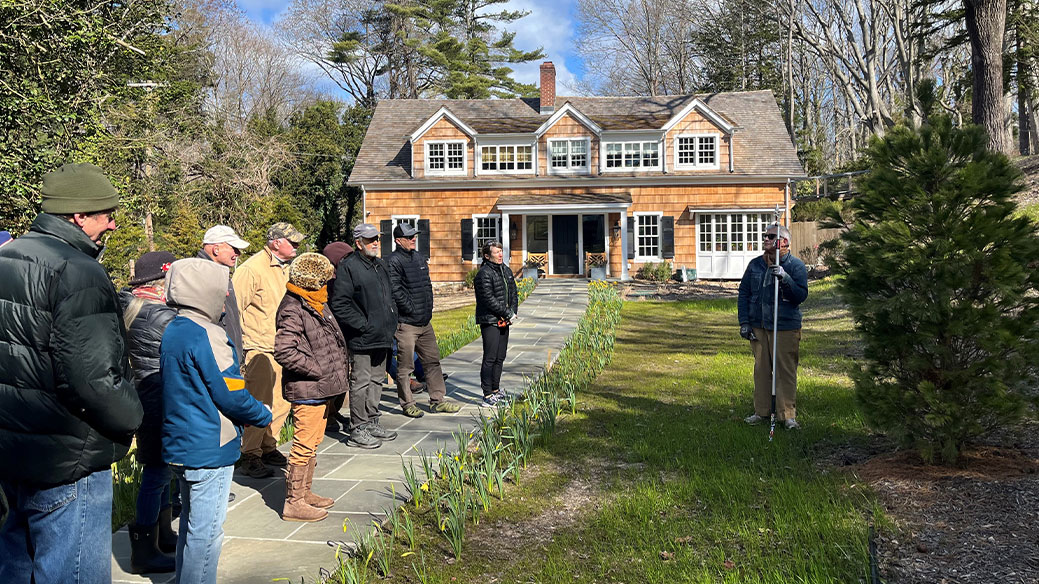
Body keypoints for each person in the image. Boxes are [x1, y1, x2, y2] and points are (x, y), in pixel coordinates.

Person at [0, 162, 144, 583]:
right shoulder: (78, 270)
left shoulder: (6, 256)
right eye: (107, 214)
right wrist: (134, 417)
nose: (113, 225)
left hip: (12, 450)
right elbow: (95, 378)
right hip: (68, 458)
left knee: (16, 566)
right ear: (79, 215)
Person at [161, 258, 272, 584]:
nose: (225, 295)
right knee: (206, 535)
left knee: (190, 530)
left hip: (180, 443)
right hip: (209, 444)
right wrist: (262, 413)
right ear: (205, 291)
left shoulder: (175, 328)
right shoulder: (209, 334)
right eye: (222, 289)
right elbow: (232, 395)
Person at [273, 253, 348, 522]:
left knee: (313, 442)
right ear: (312, 281)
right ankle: (293, 503)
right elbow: (284, 350)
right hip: (309, 389)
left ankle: (305, 493)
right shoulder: (293, 307)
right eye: (324, 280)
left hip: (321, 389)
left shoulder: (315, 302)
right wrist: (318, 370)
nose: (328, 285)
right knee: (303, 445)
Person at [120, 251, 178, 574]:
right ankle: (144, 549)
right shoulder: (160, 316)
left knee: (160, 471)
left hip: (145, 399)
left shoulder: (133, 306)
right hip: (159, 400)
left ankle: (162, 533)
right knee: (156, 474)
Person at [232, 222, 304, 477]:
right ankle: (249, 453)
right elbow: (234, 308)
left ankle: (268, 446)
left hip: (283, 347)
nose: (297, 246)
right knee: (259, 402)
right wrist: (239, 348)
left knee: (282, 401)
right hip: (259, 348)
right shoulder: (252, 269)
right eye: (292, 242)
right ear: (275, 242)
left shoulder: (285, 269)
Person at [329, 223, 399, 449]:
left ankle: (371, 421)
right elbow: (340, 304)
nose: (376, 242)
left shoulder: (380, 264)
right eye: (370, 240)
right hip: (362, 337)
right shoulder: (349, 267)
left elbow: (389, 298)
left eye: (377, 238)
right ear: (358, 243)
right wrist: (364, 325)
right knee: (360, 381)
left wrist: (391, 320)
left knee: (377, 380)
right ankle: (357, 428)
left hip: (383, 335)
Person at [737, 223, 809, 430]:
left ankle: (787, 416)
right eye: (765, 236)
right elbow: (744, 294)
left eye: (770, 236)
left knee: (785, 371)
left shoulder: (795, 266)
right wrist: (744, 323)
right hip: (759, 326)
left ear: (783, 242)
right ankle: (761, 412)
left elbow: (800, 296)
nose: (765, 239)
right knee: (761, 370)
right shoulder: (755, 266)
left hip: (785, 326)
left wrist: (785, 278)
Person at [386, 223, 461, 417]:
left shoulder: (418, 257)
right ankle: (408, 403)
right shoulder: (393, 261)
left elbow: (427, 285)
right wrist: (411, 309)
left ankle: (437, 401)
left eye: (414, 236)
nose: (413, 239)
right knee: (405, 367)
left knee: (432, 362)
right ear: (398, 240)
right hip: (406, 324)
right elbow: (395, 291)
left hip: (425, 322)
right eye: (409, 237)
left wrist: (428, 308)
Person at [474, 240, 518, 407]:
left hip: (504, 320)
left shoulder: (505, 270)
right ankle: (486, 394)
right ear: (487, 255)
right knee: (490, 357)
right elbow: (488, 299)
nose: (500, 255)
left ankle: (495, 390)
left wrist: (512, 312)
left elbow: (513, 292)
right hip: (490, 320)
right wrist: (506, 313)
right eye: (497, 252)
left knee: (500, 357)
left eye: (501, 251)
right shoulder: (484, 274)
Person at [198, 225, 249, 353]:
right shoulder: (199, 276)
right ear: (216, 249)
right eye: (234, 248)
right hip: (215, 361)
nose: (238, 254)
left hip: (228, 360)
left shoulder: (223, 274)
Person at [321, 241, 353, 433]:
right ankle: (328, 414)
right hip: (331, 335)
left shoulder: (345, 276)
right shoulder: (327, 282)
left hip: (346, 334)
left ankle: (335, 411)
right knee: (331, 376)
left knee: (343, 376)